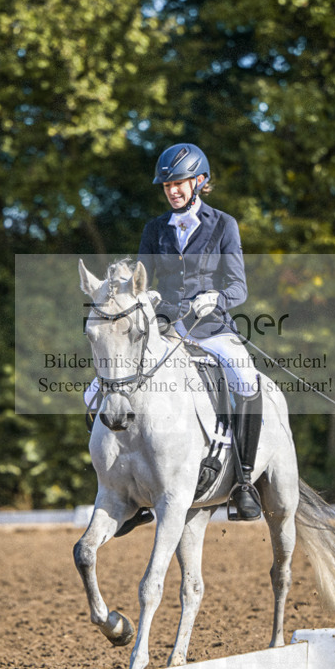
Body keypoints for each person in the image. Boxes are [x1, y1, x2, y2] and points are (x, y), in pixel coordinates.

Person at [136, 142, 263, 525]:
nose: (172, 191)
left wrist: (216, 298)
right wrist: (145, 294)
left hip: (210, 330)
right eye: (166, 185)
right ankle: (128, 487)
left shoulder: (224, 225)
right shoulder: (154, 229)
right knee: (101, 388)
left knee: (246, 379)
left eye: (179, 183)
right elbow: (141, 280)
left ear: (200, 181)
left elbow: (239, 288)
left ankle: (243, 482)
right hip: (165, 333)